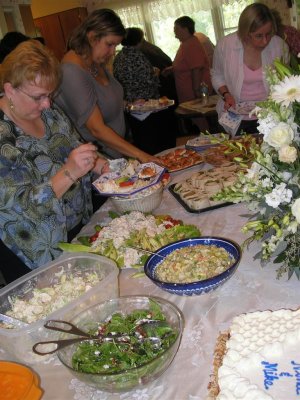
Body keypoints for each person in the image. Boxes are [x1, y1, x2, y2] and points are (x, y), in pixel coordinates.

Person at [0, 40, 109, 284]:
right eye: (39, 97)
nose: (47, 104)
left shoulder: (47, 112)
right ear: (10, 90)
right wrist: (69, 172)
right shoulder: (3, 135)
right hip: (36, 250)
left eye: (50, 95)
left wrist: (101, 165)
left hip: (78, 227)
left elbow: (75, 147)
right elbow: (23, 205)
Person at [55, 9, 156, 162]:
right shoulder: (71, 71)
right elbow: (97, 129)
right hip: (97, 162)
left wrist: (128, 105)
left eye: (115, 45)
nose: (113, 51)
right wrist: (141, 155)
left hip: (115, 154)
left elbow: (103, 100)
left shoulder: (94, 61)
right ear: (91, 37)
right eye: (109, 44)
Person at [211, 3, 289, 136]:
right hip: (234, 115)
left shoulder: (279, 46)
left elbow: (286, 81)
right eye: (258, 36)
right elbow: (216, 75)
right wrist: (226, 95)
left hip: (269, 117)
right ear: (245, 33)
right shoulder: (226, 45)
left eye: (268, 34)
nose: (265, 41)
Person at [113, 27, 178, 155]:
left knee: (141, 139)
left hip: (129, 104)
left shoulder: (118, 57)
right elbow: (148, 79)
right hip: (146, 104)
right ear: (138, 40)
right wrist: (156, 73)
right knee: (157, 140)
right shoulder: (138, 55)